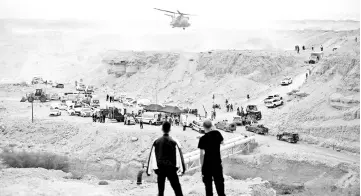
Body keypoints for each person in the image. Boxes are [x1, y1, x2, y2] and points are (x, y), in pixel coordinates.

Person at [146, 122, 185, 196]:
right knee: (177, 189)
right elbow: (179, 156)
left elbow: (152, 156)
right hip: (171, 169)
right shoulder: (174, 141)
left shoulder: (156, 141)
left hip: (160, 169)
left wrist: (150, 170)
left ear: (162, 129)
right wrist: (181, 169)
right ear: (170, 129)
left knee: (161, 190)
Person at [198, 120, 226, 196]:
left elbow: (201, 155)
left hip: (207, 166)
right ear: (211, 126)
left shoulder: (202, 139)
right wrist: (213, 130)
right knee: (220, 188)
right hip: (217, 164)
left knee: (208, 189)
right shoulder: (217, 134)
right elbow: (223, 143)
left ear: (203, 127)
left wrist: (202, 168)